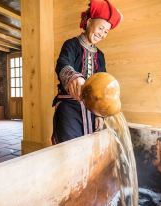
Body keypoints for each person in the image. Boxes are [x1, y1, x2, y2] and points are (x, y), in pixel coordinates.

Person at [52, 0, 122, 144]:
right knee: (70, 148)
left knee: (90, 149)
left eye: (106, 31)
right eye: (101, 28)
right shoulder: (71, 44)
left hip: (91, 110)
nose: (102, 34)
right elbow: (62, 62)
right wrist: (73, 77)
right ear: (89, 22)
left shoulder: (100, 55)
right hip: (69, 109)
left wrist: (99, 114)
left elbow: (103, 83)